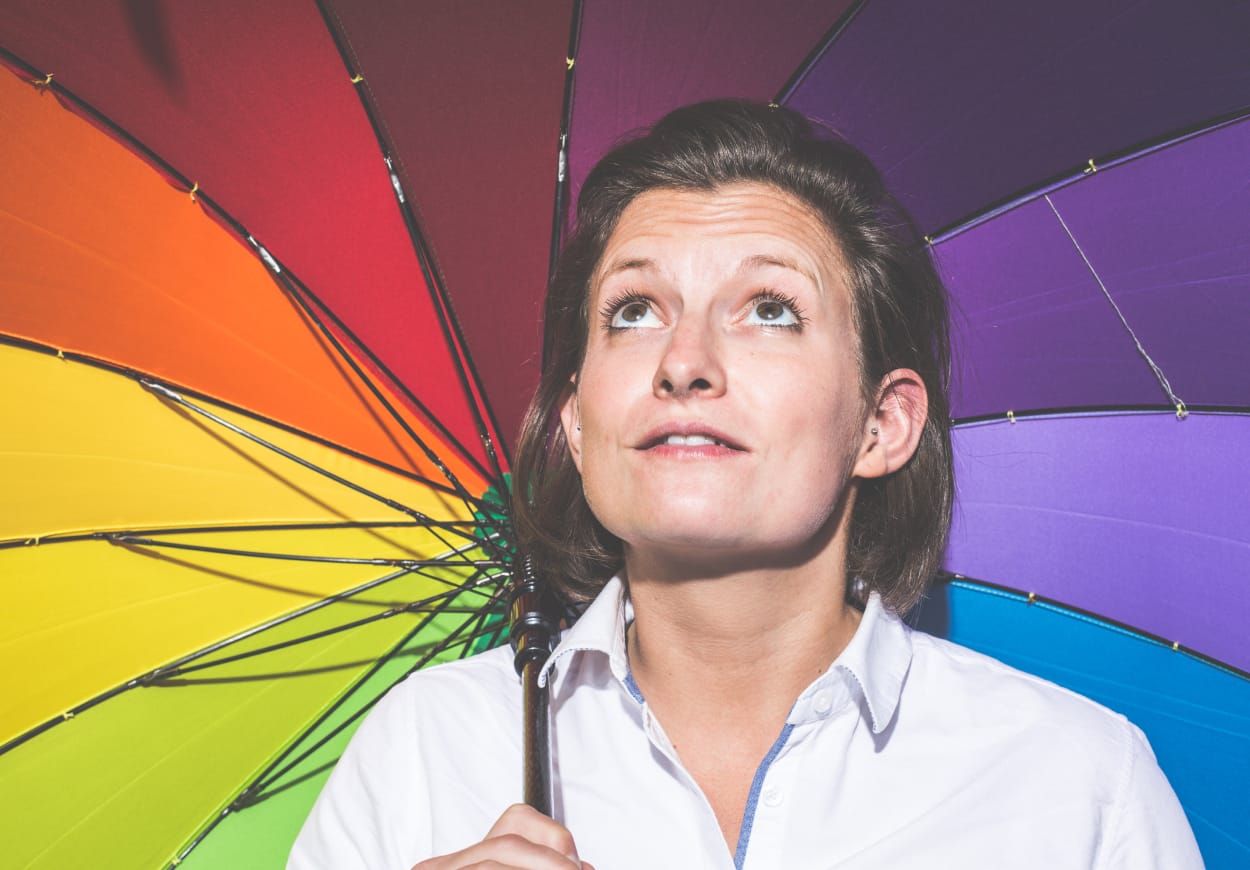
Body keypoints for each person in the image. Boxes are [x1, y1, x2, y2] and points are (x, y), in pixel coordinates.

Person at [289, 100, 1202, 869]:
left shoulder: (1080, 790)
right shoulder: (423, 753)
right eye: (634, 311)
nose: (684, 362)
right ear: (574, 421)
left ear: (882, 425)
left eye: (771, 311)